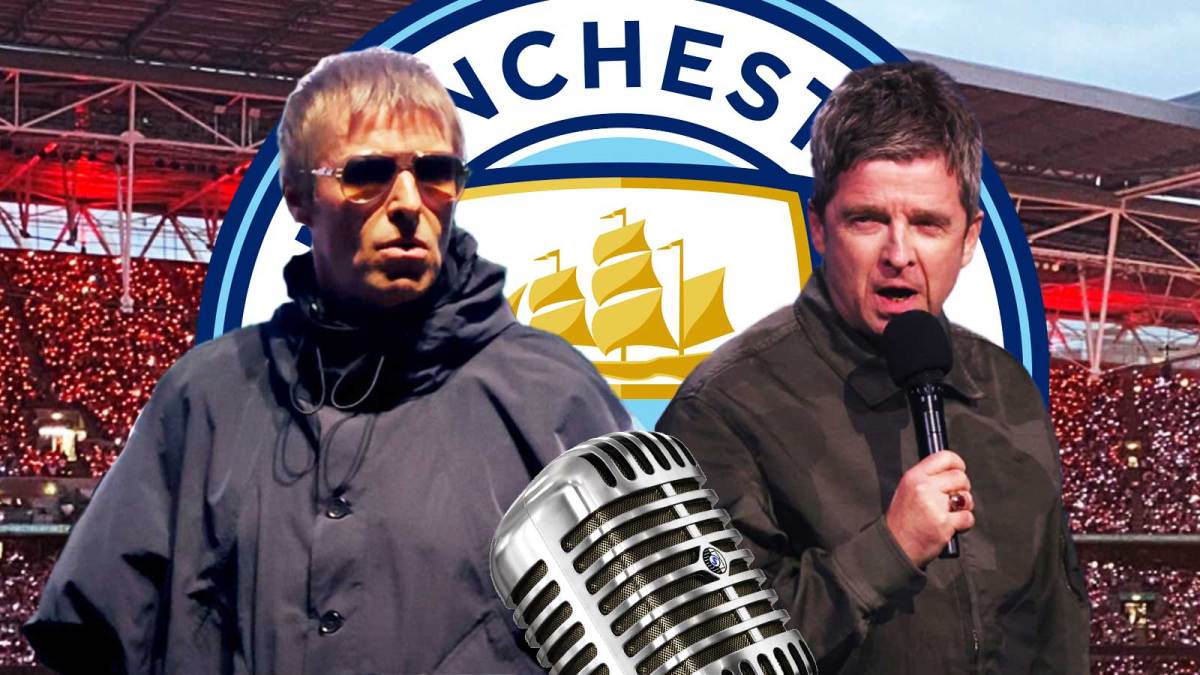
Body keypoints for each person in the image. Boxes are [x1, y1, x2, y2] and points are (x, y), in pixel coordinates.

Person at [25, 48, 630, 674]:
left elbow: (650, 637)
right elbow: (92, 636)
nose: (406, 203)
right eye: (367, 172)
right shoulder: (204, 397)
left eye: (434, 173)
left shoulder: (555, 395)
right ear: (298, 197)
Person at [657, 61, 1089, 673]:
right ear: (819, 229)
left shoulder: (1008, 391)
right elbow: (705, 655)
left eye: (928, 225)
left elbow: (1056, 631)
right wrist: (889, 550)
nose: (898, 254)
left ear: (969, 240)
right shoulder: (722, 410)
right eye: (867, 219)